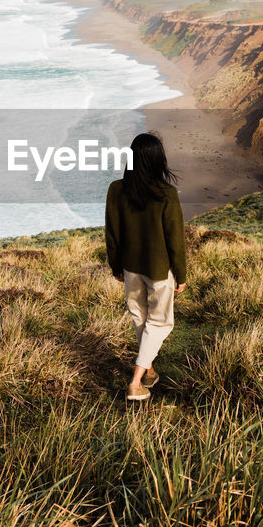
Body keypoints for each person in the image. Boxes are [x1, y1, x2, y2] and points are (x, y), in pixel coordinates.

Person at [104, 131, 187, 402]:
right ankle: (136, 381)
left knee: (140, 317)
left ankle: (149, 370)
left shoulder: (117, 189)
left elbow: (112, 233)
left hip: (130, 267)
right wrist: (181, 274)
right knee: (160, 322)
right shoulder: (166, 193)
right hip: (159, 269)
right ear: (157, 160)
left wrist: (115, 265)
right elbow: (175, 239)